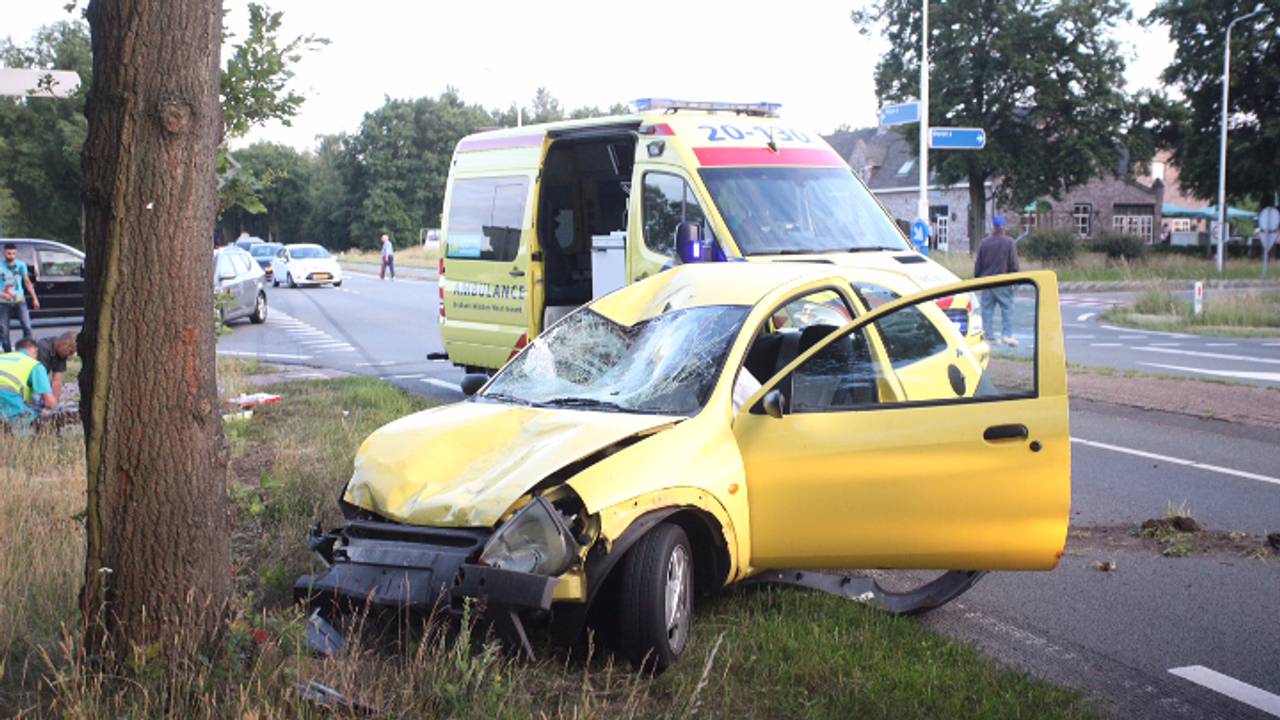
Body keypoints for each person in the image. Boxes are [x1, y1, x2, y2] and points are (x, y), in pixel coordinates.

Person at [974, 215, 1020, 346]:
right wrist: (1015, 279)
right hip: (1003, 282)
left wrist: (977, 278)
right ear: (1004, 227)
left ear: (993, 227)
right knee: (1007, 308)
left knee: (987, 310)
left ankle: (988, 336)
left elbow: (978, 264)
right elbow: (1014, 264)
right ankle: (1007, 335)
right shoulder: (1010, 242)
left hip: (987, 282)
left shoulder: (984, 243)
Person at [0, 338, 58, 429]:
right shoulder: (33, 365)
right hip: (7, 399)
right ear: (35, 350)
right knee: (24, 423)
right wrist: (55, 409)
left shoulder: (3, 357)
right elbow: (49, 402)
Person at [0, 242, 39, 353]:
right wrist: (2, 294)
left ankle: (27, 351)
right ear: (4, 253)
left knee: (27, 326)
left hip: (20, 301)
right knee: (4, 331)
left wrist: (34, 298)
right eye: (8, 253)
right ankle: (8, 353)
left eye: (13, 253)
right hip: (3, 303)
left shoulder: (21, 265)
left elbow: (27, 282)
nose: (11, 256)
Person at [36, 331, 78, 400]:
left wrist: (54, 401)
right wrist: (49, 400)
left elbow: (57, 380)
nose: (71, 355)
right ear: (63, 344)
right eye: (71, 351)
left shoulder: (61, 352)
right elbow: (40, 379)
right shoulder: (43, 347)